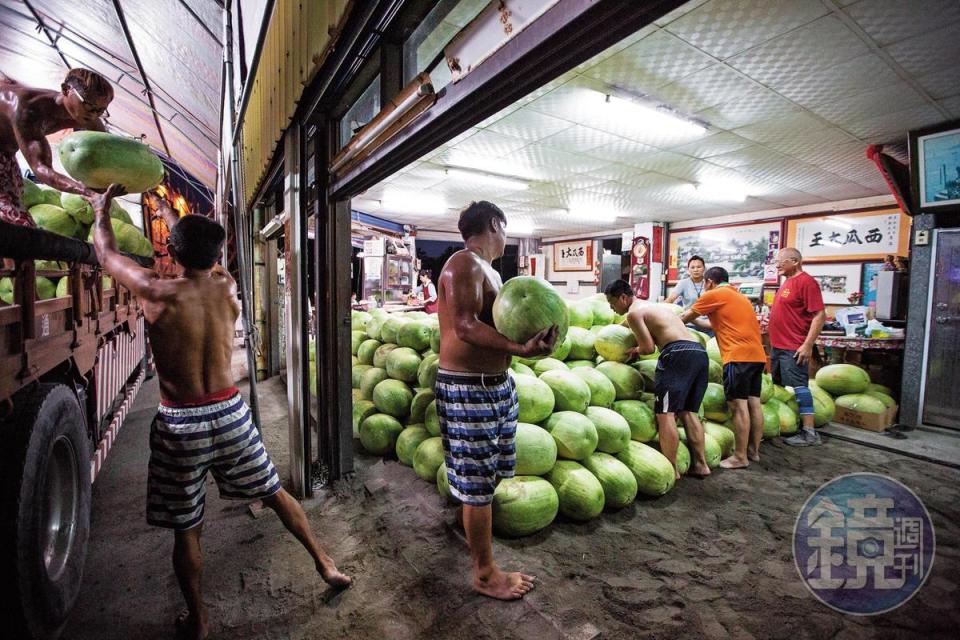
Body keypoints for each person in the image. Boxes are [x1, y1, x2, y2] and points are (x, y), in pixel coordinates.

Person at [90, 185, 350, 640]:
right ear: (216, 255)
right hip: (230, 412)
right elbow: (203, 254)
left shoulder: (156, 292)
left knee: (186, 526)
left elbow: (107, 254)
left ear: (171, 251)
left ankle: (200, 620)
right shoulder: (226, 288)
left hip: (180, 423)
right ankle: (325, 563)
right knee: (273, 493)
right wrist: (178, 223)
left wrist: (101, 210)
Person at [436, 200, 557, 600]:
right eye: (506, 229)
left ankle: (471, 530)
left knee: (485, 477)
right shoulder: (463, 264)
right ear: (494, 223)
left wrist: (530, 342)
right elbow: (465, 326)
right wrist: (519, 349)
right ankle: (485, 573)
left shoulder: (488, 271)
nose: (507, 237)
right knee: (478, 485)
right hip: (469, 387)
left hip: (494, 385)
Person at [605, 279, 711, 479]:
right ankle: (702, 465)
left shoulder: (634, 313)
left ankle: (671, 469)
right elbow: (631, 323)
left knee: (665, 413)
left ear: (623, 298)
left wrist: (635, 350)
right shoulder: (652, 307)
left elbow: (648, 348)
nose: (612, 308)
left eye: (612, 303)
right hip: (698, 352)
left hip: (676, 354)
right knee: (689, 412)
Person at [0, 68, 113, 227]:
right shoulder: (28, 109)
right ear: (66, 90)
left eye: (101, 110)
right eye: (89, 106)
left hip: (7, 154)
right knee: (18, 225)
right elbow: (41, 168)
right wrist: (87, 192)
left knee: (16, 203)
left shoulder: (85, 114)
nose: (94, 115)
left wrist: (106, 181)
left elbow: (108, 150)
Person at [681, 267, 766, 469]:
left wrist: (663, 323)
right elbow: (714, 325)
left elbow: (686, 316)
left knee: (738, 406)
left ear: (710, 281)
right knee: (754, 402)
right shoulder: (740, 297)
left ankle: (739, 457)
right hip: (757, 356)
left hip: (738, 357)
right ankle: (753, 452)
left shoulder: (714, 294)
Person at [768, 248, 825, 447]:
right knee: (777, 385)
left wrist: (808, 344)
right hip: (778, 345)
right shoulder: (788, 282)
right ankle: (781, 425)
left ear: (794, 261)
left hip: (794, 345)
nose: (777, 265)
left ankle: (809, 432)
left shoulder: (806, 282)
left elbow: (819, 315)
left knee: (800, 385)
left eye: (780, 262)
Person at [666, 255, 713, 336]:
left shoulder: (710, 283)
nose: (696, 270)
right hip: (689, 323)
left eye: (699, 267)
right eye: (692, 267)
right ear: (688, 270)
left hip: (708, 324)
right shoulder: (683, 283)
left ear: (704, 268)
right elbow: (670, 300)